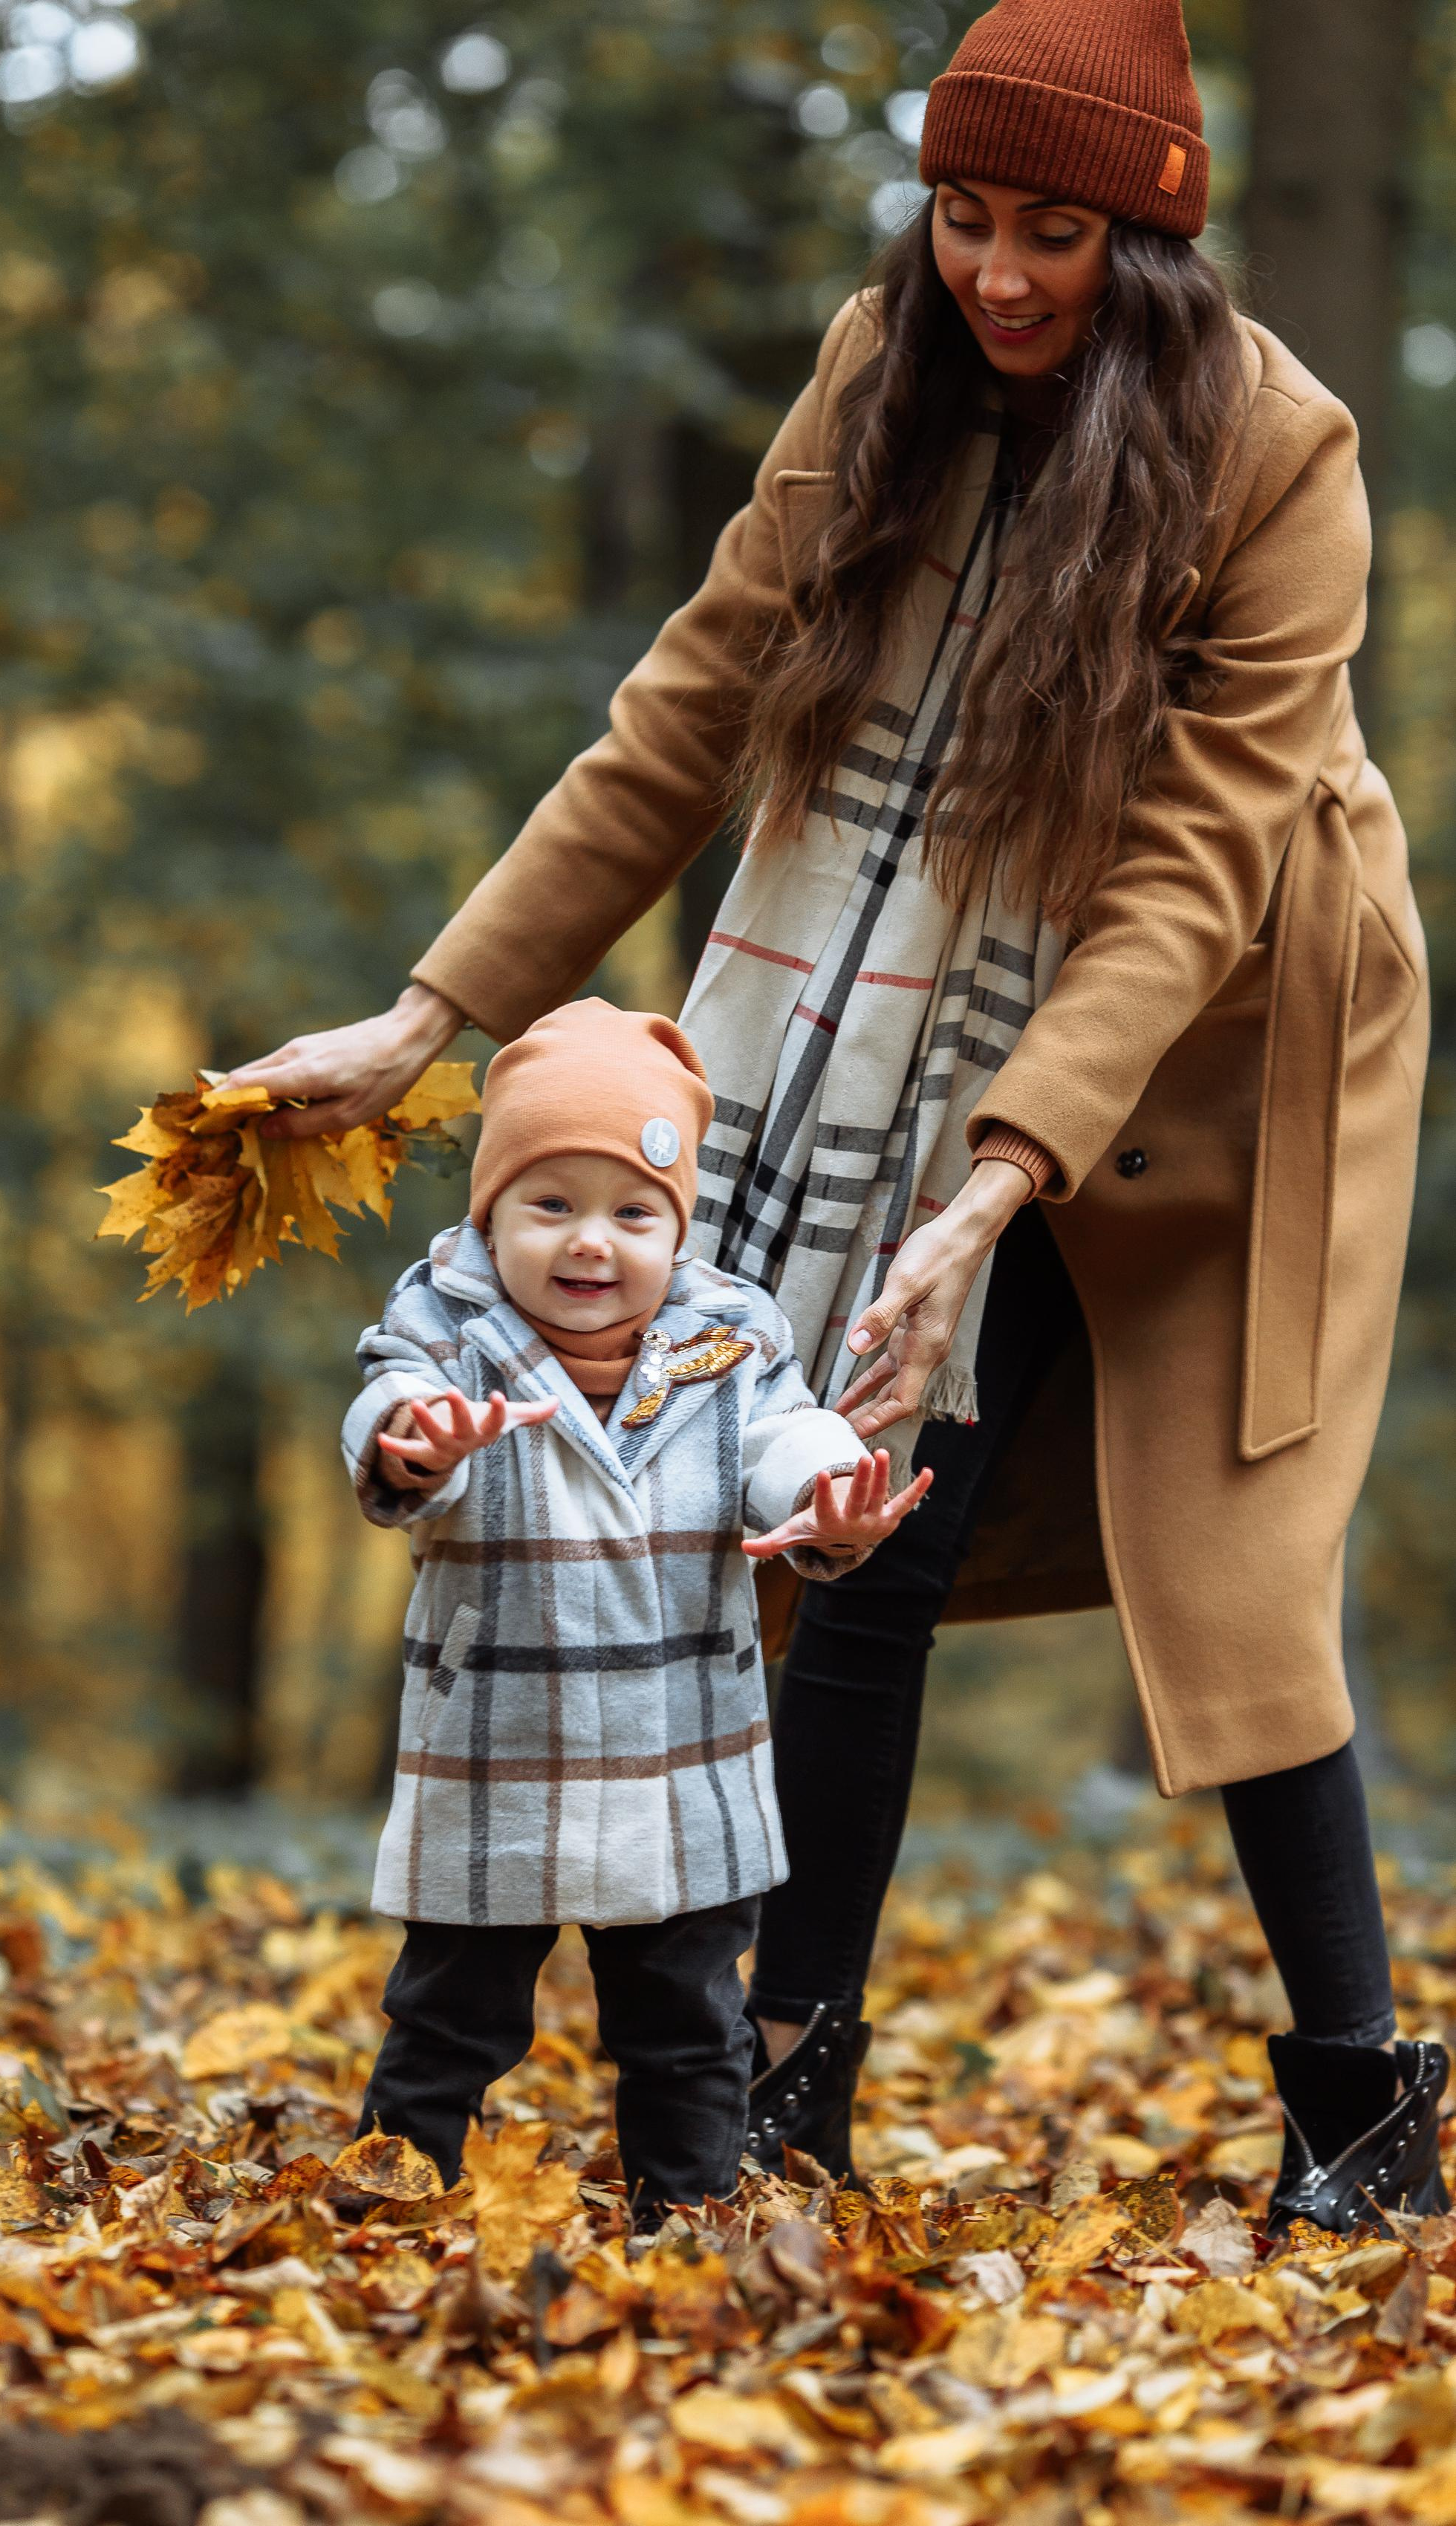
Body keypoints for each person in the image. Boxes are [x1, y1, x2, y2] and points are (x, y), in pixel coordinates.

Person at [237, 0, 1446, 2235]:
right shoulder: (874, 373)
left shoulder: (1280, 454)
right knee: (856, 1514)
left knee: (1242, 1565)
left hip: (1236, 1032)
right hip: (899, 986)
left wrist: (990, 1184)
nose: (996, 271)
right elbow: (692, 702)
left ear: (1151, 242)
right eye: (963, 215)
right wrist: (426, 1017)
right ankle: (787, 2096)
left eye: (1054, 233)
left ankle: (1364, 2109)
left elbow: (1186, 876)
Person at [342, 1000, 929, 2225]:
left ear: (679, 1225)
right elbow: (390, 1414)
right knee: (451, 2012)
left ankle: (689, 2216)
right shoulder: (442, 1328)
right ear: (489, 1213)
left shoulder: (732, 1333)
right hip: (500, 1740)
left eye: (632, 1213)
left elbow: (784, 1437)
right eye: (549, 1205)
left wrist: (827, 1496)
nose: (590, 1244)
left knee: (688, 2020)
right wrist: (419, 1445)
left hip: (679, 1749)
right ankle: (388, 2203)